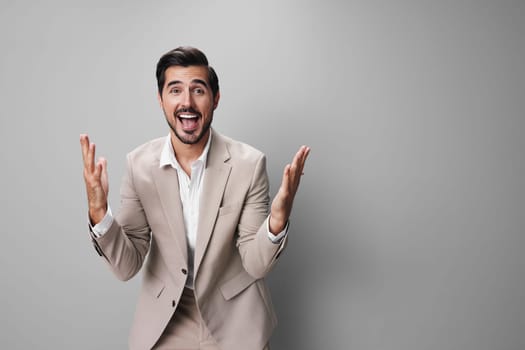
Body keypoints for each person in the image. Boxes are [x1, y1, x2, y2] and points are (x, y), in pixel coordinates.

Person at [80, 46, 310, 350]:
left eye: (198, 90)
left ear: (215, 98)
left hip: (235, 316)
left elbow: (255, 264)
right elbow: (127, 265)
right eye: (175, 90)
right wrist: (99, 214)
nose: (186, 102)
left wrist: (277, 221)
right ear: (161, 100)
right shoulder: (139, 165)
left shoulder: (249, 164)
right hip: (168, 318)